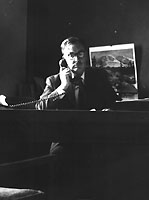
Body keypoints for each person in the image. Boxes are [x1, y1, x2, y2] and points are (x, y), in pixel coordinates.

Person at [35, 36, 119, 199]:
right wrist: (63, 88)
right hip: (65, 142)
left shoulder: (99, 76)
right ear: (64, 60)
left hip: (95, 141)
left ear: (86, 56)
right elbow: (39, 108)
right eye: (71, 55)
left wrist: (107, 110)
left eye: (80, 54)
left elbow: (113, 103)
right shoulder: (54, 81)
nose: (77, 59)